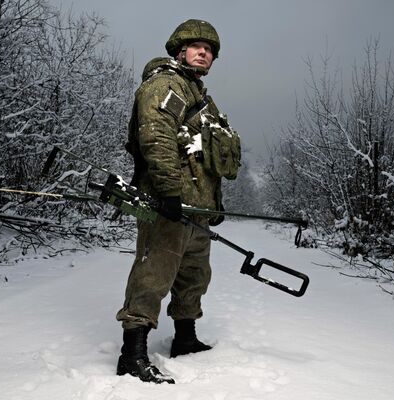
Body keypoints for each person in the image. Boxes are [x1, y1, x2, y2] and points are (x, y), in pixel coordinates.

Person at [116, 19, 241, 384]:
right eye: (197, 46)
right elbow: (156, 138)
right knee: (153, 274)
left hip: (196, 211)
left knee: (194, 276)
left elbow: (207, 158)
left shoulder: (200, 95)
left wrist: (212, 206)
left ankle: (185, 338)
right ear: (179, 50)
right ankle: (132, 353)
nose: (205, 53)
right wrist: (169, 192)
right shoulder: (164, 85)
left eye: (211, 49)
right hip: (167, 204)